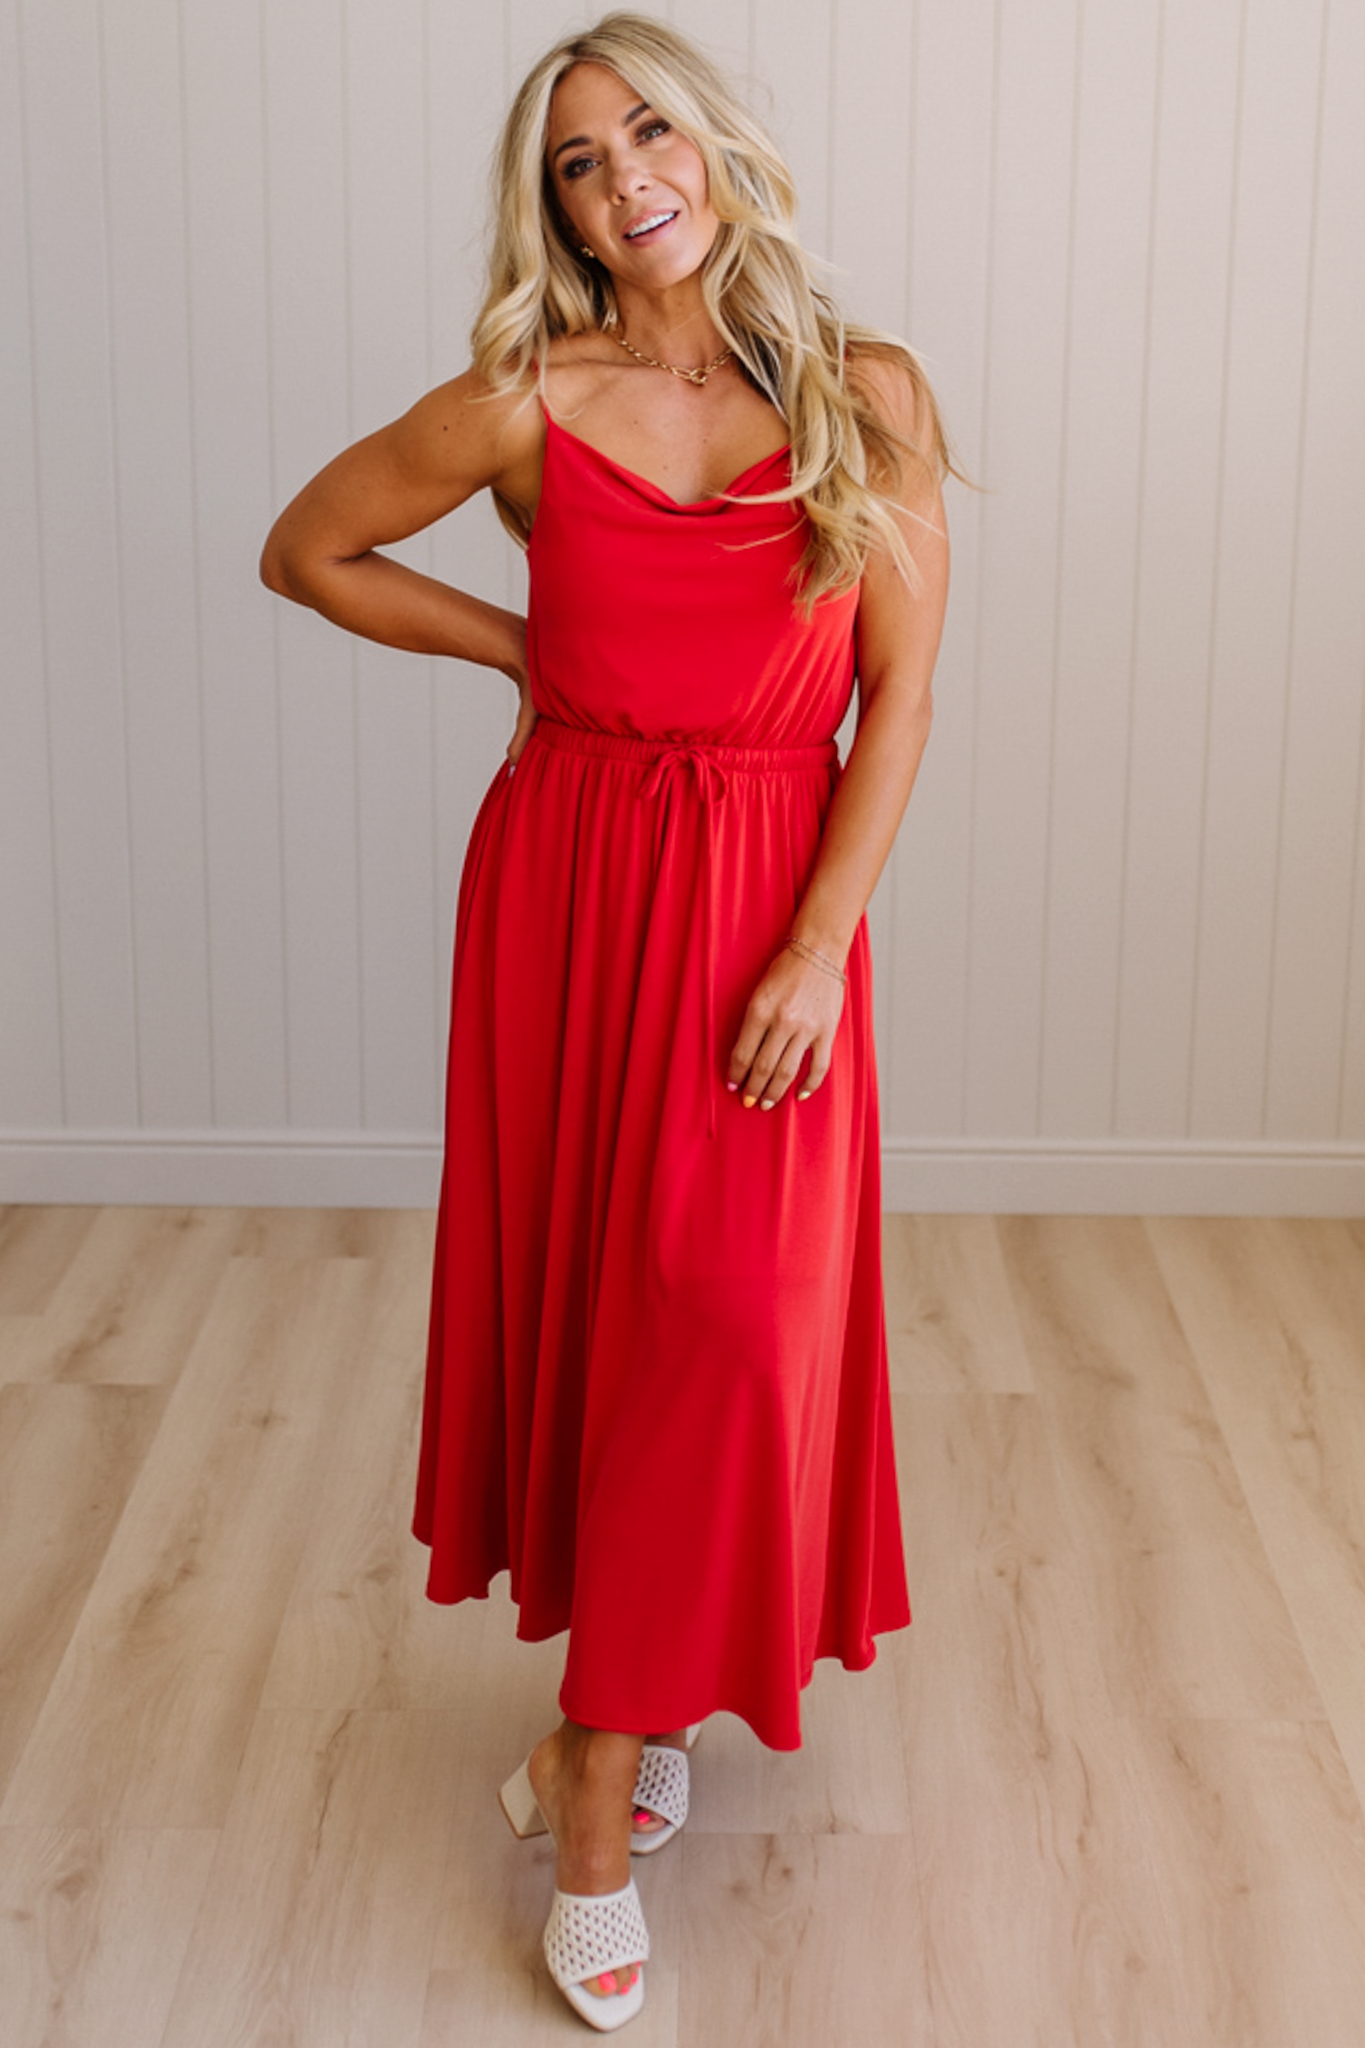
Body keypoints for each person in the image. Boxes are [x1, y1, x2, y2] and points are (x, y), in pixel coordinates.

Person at [261, 11, 951, 2032]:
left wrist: (818, 943)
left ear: (719, 146)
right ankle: (595, 1785)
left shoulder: (865, 392)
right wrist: (526, 643)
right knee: (603, 1304)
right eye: (575, 160)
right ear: (548, 206)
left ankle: (606, 1730)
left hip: (763, 893)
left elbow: (897, 694)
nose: (621, 175)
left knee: (730, 1320)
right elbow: (308, 549)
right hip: (567, 884)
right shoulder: (520, 397)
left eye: (646, 130)